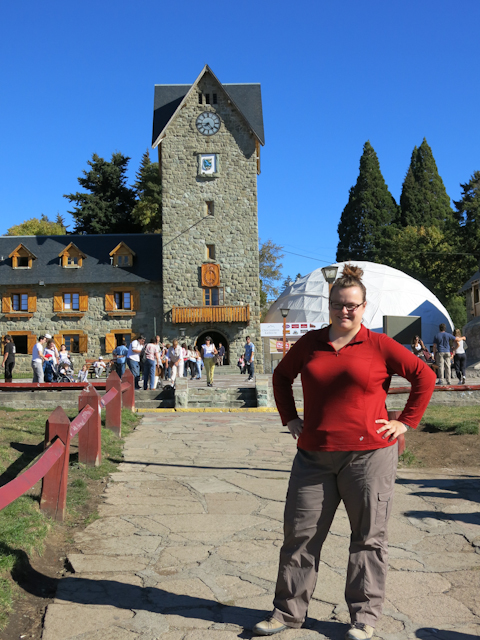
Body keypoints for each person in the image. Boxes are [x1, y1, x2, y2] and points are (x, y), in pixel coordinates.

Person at [253, 264, 436, 638]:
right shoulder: (310, 343)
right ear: (330, 304)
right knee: (299, 536)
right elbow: (281, 376)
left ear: (364, 306)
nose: (345, 311)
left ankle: (364, 618)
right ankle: (286, 613)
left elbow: (425, 376)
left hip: (369, 458)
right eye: (339, 304)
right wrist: (289, 418)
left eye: (352, 305)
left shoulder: (379, 344)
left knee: (368, 538)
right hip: (313, 457)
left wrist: (404, 421)